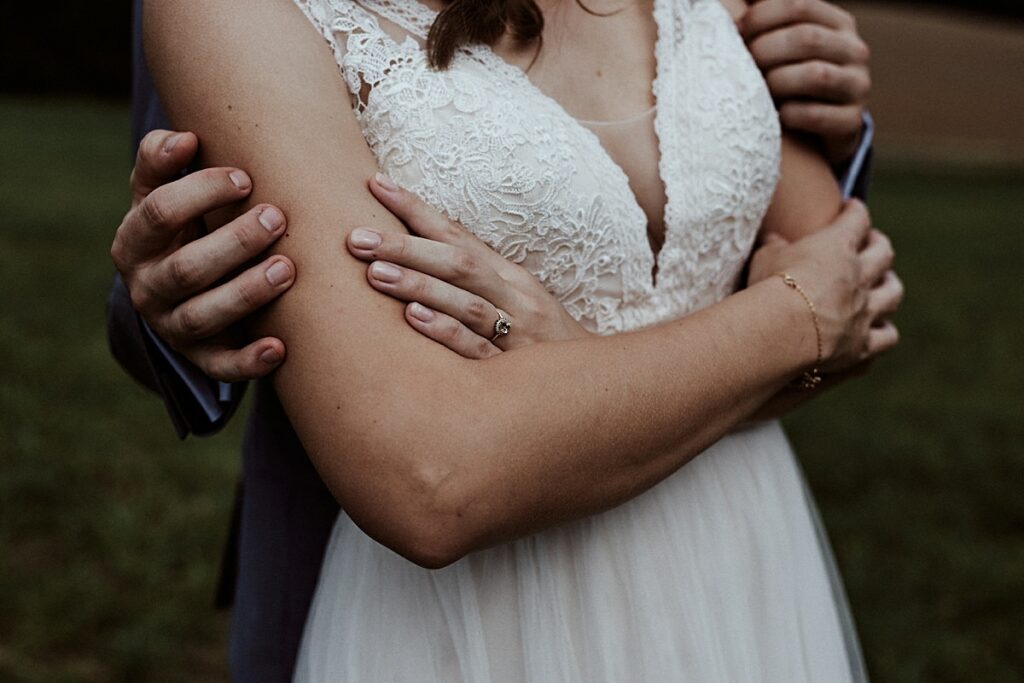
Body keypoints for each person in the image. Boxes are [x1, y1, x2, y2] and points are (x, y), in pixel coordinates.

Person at [107, 0, 888, 679]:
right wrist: (797, 320)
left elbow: (848, 287)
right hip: (470, 607)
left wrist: (814, 125)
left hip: (738, 551)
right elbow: (429, 470)